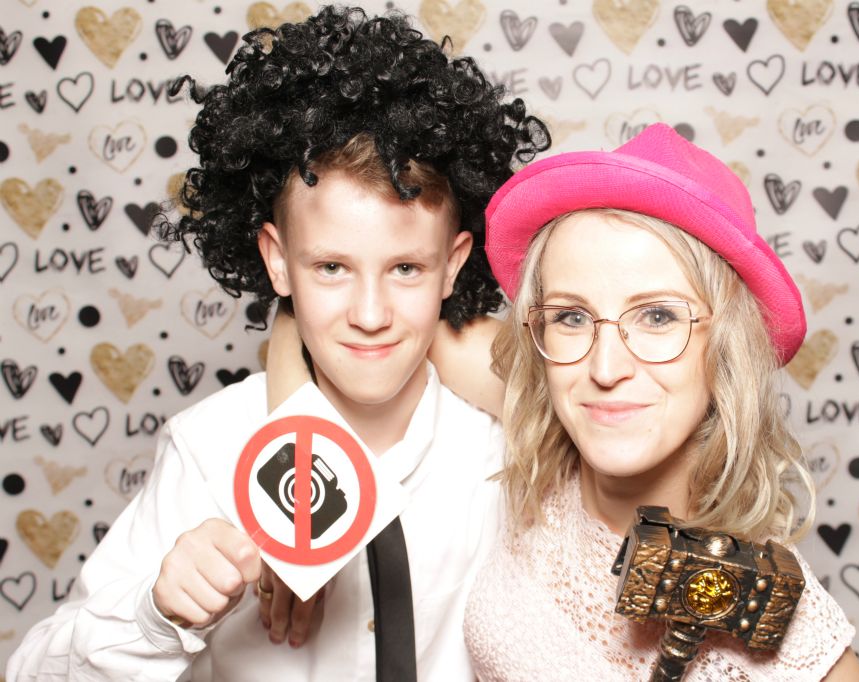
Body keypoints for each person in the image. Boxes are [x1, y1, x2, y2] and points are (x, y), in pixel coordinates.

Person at [6, 6, 547, 681]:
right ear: (278, 261)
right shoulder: (210, 449)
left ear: (454, 264)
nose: (370, 314)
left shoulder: (508, 454)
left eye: (405, 268)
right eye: (332, 267)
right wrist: (157, 613)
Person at [266, 124, 859, 679]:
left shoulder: (774, 619)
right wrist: (302, 527)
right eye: (572, 317)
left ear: (728, 343)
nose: (605, 369)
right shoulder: (552, 419)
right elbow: (335, 326)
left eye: (658, 316)